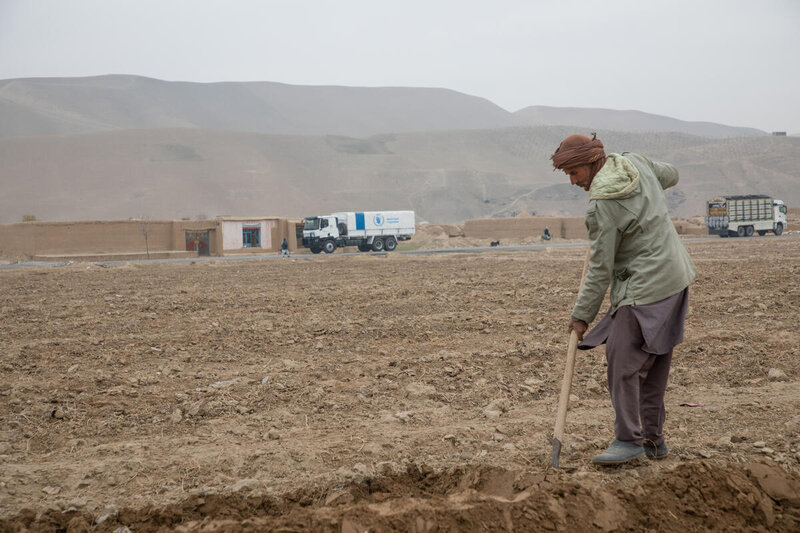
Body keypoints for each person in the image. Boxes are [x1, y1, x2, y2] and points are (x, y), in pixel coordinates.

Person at [550, 133, 696, 465]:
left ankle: (628, 439)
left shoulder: (603, 204)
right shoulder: (634, 161)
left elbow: (600, 269)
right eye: (568, 175)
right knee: (655, 362)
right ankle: (653, 440)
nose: (573, 182)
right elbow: (670, 174)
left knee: (623, 363)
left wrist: (581, 316)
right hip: (675, 276)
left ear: (592, 163)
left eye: (575, 173)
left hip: (646, 288)